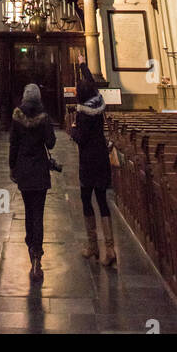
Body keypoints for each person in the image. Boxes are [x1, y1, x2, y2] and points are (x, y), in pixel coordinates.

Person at [9, 82, 56, 282]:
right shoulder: (44, 117)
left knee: (29, 210)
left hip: (25, 170)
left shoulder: (17, 116)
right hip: (40, 170)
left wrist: (12, 167)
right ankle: (37, 253)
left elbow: (13, 144)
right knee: (39, 212)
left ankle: (31, 247)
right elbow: (51, 143)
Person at [70, 69, 116, 267]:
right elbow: (92, 83)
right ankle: (110, 248)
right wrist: (83, 66)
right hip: (102, 159)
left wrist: (73, 130)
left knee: (86, 200)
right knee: (102, 201)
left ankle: (93, 246)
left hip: (88, 161)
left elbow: (81, 139)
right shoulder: (99, 104)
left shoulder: (82, 115)